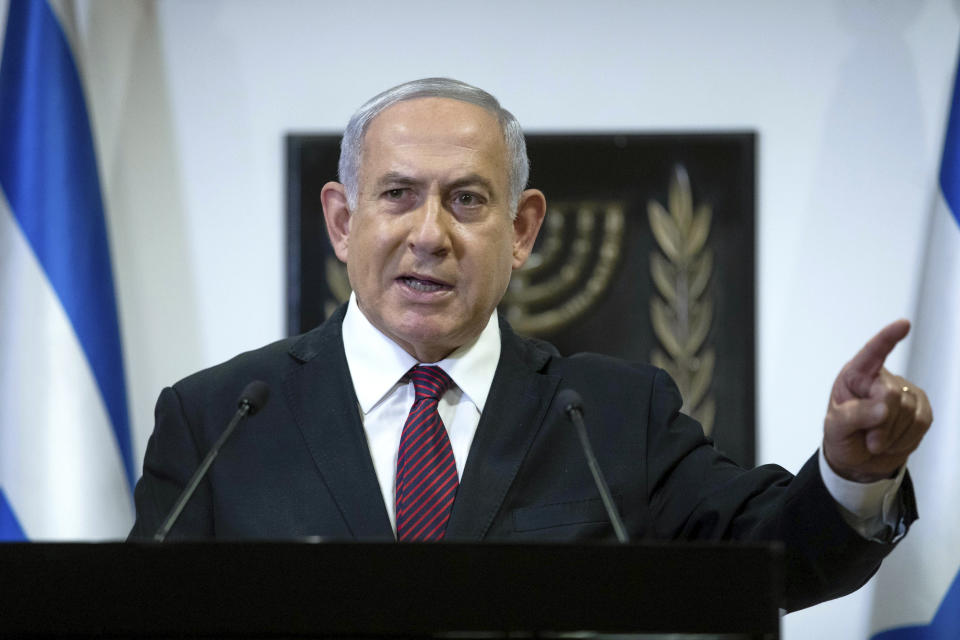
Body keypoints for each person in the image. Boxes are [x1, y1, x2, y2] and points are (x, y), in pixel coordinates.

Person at [129, 78, 933, 612]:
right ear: (343, 221)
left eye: (468, 200)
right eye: (399, 195)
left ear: (521, 230)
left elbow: (770, 561)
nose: (430, 235)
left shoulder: (615, 416)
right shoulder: (218, 422)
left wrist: (853, 474)